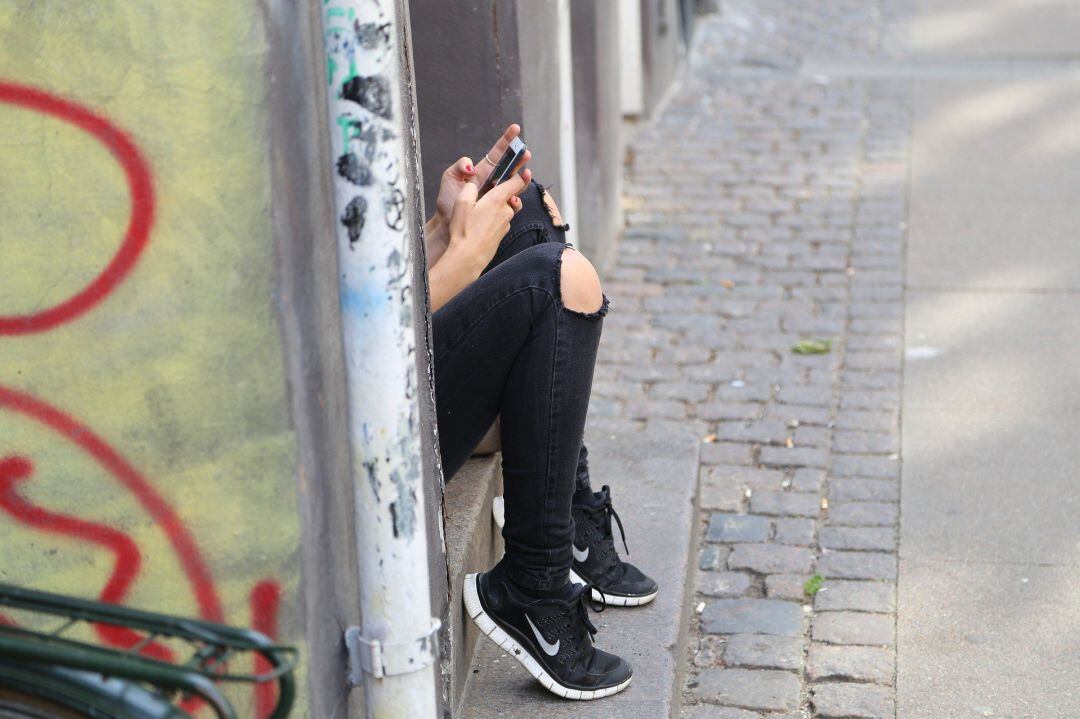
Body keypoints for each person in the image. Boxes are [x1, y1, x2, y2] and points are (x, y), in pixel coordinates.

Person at [425, 124, 658, 700]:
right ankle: (535, 585)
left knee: (524, 205)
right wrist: (463, 254)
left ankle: (571, 520)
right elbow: (364, 348)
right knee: (559, 280)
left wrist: (440, 227)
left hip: (412, 380)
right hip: (384, 439)